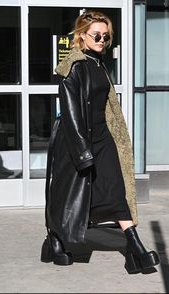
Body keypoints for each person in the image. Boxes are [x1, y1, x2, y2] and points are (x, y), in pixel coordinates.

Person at [41, 10, 159, 274]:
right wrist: (82, 152)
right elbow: (71, 116)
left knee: (115, 189)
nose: (102, 40)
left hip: (103, 139)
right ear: (82, 36)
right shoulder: (72, 67)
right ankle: (56, 240)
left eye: (106, 36)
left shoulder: (98, 64)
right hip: (77, 141)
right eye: (96, 35)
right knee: (69, 196)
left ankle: (135, 248)